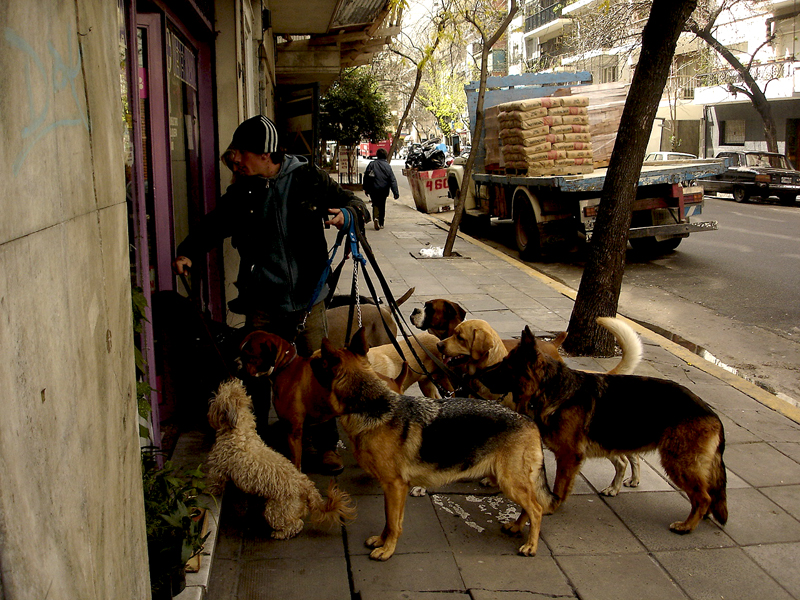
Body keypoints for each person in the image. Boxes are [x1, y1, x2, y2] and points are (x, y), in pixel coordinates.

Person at [172, 115, 370, 475]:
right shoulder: (244, 189)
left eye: (242, 153)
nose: (237, 161)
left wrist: (346, 214)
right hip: (263, 299)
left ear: (265, 154)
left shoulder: (308, 178)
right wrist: (187, 250)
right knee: (255, 374)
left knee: (319, 373)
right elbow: (215, 223)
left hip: (310, 298)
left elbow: (358, 207)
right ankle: (259, 441)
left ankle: (323, 444)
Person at [363, 148, 399, 231]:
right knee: (382, 205)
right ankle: (381, 223)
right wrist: (395, 192)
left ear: (377, 155)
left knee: (375, 203)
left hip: (373, 189)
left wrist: (366, 188)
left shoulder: (372, 164)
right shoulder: (387, 166)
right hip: (384, 189)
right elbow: (392, 180)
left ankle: (376, 218)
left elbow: (366, 177)